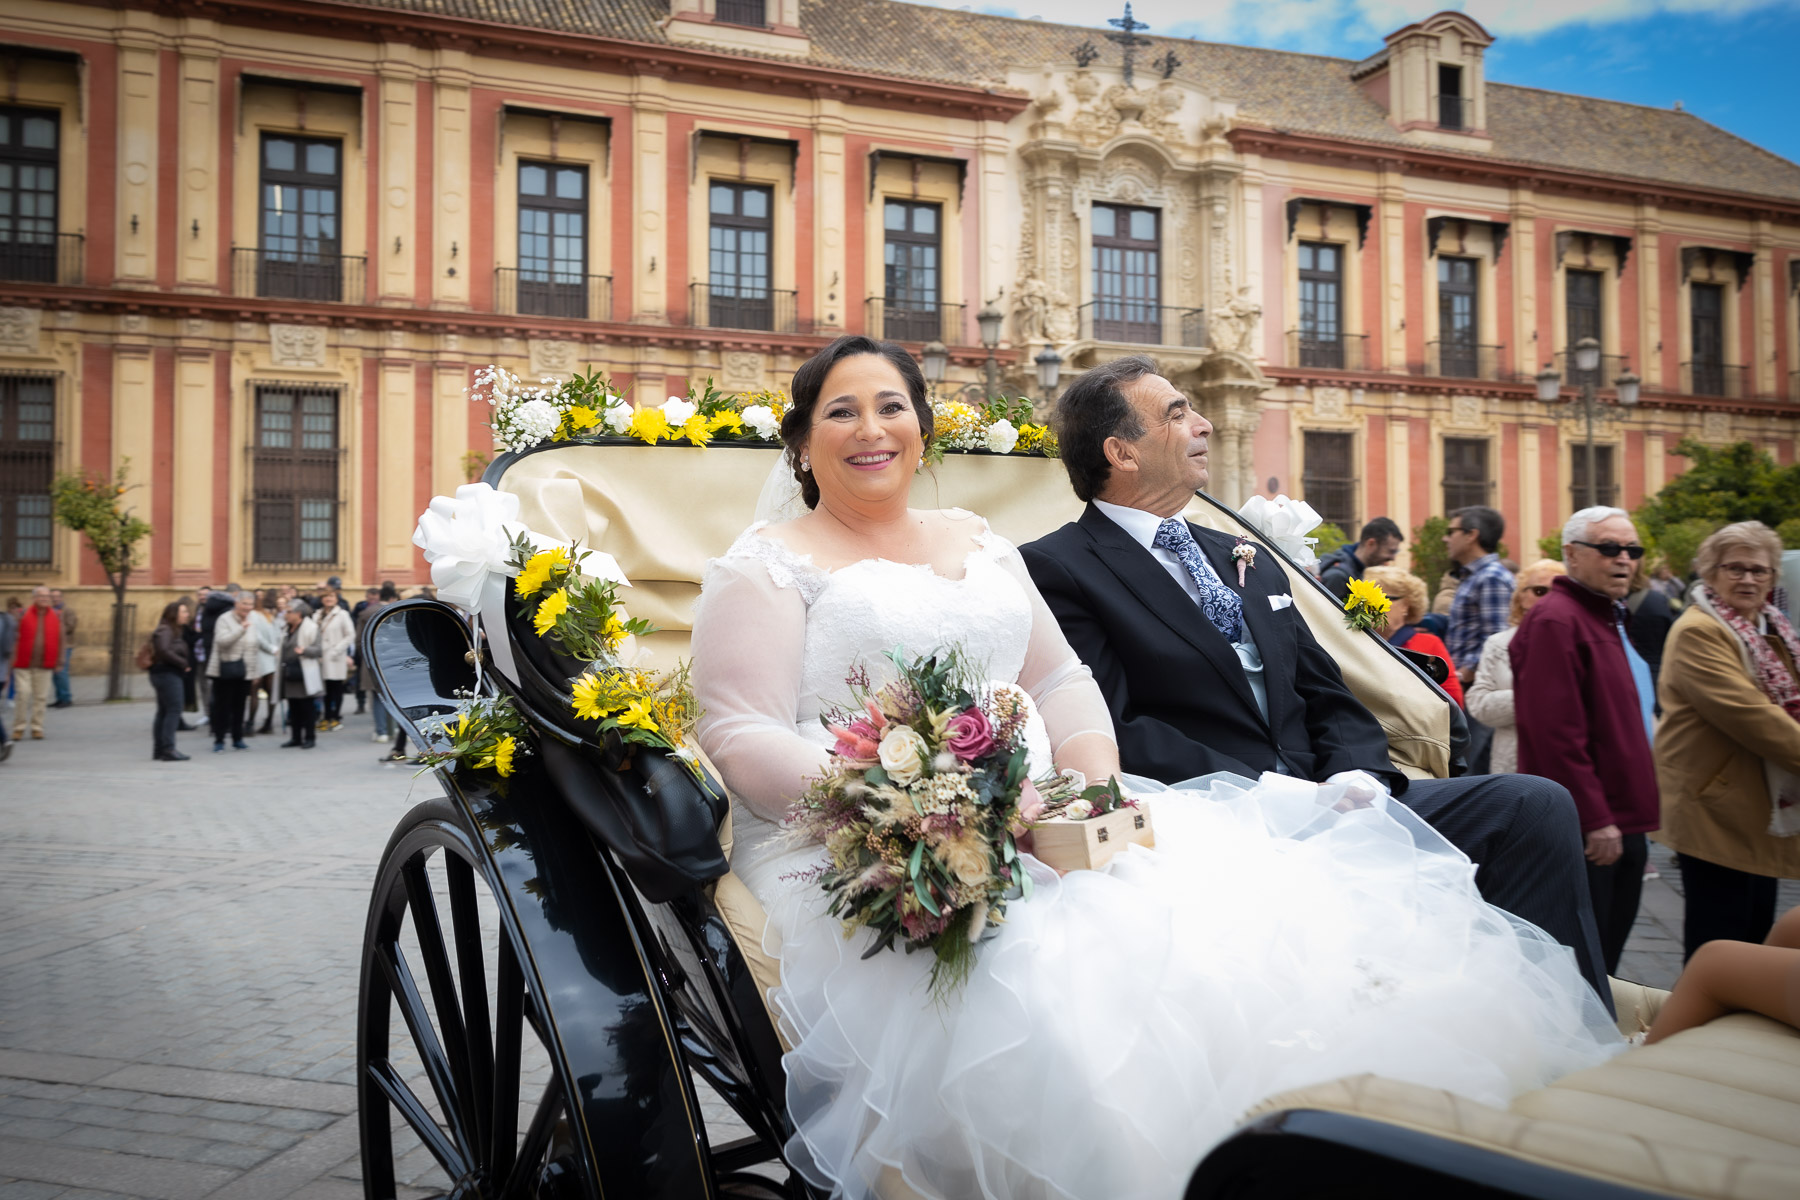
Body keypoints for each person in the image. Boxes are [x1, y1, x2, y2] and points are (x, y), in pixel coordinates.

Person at [691, 337, 1620, 1199]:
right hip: (879, 836)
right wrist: (916, 807)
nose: (870, 430)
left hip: (1065, 811)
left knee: (1254, 943)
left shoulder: (976, 540)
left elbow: (1059, 677)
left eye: (890, 406)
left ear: (922, 428)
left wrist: (1093, 779)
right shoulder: (767, 565)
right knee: (1078, 996)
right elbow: (741, 731)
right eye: (841, 412)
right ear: (804, 445)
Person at [1019, 356, 1610, 1006]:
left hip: (1338, 798)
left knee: (1534, 807)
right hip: (1213, 821)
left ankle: (1568, 1024)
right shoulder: (1056, 568)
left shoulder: (1242, 556)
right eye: (1177, 413)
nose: (1206, 425)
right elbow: (1113, 725)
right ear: (1120, 452)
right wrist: (1277, 798)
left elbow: (1328, 694)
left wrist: (1355, 777)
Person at [1513, 506, 1660, 977]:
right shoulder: (1558, 619)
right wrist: (1595, 818)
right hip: (1593, 823)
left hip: (1620, 816)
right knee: (1586, 958)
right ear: (1572, 555)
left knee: (1607, 950)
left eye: (1632, 550)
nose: (1624, 560)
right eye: (1610, 548)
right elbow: (1556, 733)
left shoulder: (1604, 614)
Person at [1653, 521, 1800, 959]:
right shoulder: (1701, 630)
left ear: (1774, 577)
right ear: (1709, 572)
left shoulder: (1769, 626)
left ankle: (1733, 1021)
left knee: (1753, 932)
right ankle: (1699, 1023)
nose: (1749, 579)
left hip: (1758, 805)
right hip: (1717, 806)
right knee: (1720, 941)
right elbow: (1751, 715)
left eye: (1760, 570)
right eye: (1735, 568)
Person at [1465, 559, 1567, 774]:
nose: (1549, 599)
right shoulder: (1498, 644)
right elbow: (1479, 704)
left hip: (1566, 761)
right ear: (1521, 597)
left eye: (1558, 592)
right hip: (1513, 762)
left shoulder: (1578, 644)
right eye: (1540, 591)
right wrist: (1534, 697)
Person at [1363, 564, 1464, 707]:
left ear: (1406, 605)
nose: (1372, 605)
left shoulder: (1428, 644)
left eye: (1383, 597)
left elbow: (1454, 702)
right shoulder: (1356, 639)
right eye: (1367, 598)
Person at [1444, 506, 1513, 690]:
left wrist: (1466, 672)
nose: (1446, 538)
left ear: (1471, 535)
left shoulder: (1491, 577)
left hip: (1474, 687)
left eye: (1451, 532)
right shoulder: (1474, 576)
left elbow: (1496, 637)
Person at [206, 590, 255, 752]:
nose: (247, 607)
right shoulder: (224, 619)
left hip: (245, 670)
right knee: (223, 706)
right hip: (225, 670)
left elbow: (255, 645)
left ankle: (237, 738)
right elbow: (222, 642)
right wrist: (241, 629)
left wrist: (255, 672)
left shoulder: (253, 619)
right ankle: (219, 740)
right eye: (244, 603)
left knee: (240, 706)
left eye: (250, 604)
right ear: (236, 603)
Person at [12, 586, 61, 741]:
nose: (45, 599)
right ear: (34, 598)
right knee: (23, 694)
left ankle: (37, 727)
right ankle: (19, 727)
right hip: (23, 664)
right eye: (41, 596)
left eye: (47, 596)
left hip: (44, 664)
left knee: (41, 697)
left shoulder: (56, 615)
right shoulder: (23, 614)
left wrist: (60, 661)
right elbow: (13, 636)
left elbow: (62, 640)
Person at [1316, 517, 1403, 602]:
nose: (1393, 558)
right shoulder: (1338, 577)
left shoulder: (1358, 572)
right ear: (1371, 543)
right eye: (1391, 551)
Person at [148, 599, 192, 762]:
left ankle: (159, 749)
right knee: (174, 710)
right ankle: (168, 749)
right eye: (184, 612)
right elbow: (164, 650)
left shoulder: (173, 630)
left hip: (165, 674)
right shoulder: (165, 630)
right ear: (175, 615)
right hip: (167, 675)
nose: (187, 615)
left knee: (164, 711)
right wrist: (183, 663)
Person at [278, 599, 323, 748]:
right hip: (290, 672)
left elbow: (318, 650)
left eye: (289, 611)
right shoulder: (286, 628)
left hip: (304, 673)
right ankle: (295, 738)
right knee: (294, 707)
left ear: (298, 613)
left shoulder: (311, 627)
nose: (286, 614)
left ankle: (310, 738)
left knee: (307, 708)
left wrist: (305, 650)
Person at [315, 588, 355, 731]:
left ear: (336, 598)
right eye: (325, 596)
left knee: (336, 688)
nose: (328, 599)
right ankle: (326, 716)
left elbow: (350, 635)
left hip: (336, 657)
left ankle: (335, 717)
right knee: (325, 689)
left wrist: (337, 650)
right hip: (321, 657)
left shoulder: (342, 614)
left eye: (331, 596)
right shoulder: (318, 614)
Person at [364, 583, 398, 745]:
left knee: (378, 697)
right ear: (392, 597)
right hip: (393, 660)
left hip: (372, 659)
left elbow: (359, 641)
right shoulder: (396, 612)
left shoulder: (367, 612)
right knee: (393, 695)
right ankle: (395, 729)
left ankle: (382, 731)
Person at [246, 589, 282, 735]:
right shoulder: (262, 616)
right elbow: (263, 637)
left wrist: (273, 649)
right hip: (266, 658)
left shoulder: (263, 616)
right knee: (264, 692)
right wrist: (273, 649)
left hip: (265, 658)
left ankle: (256, 723)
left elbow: (261, 637)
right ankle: (260, 723)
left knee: (260, 692)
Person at [49, 587, 76, 708]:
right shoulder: (49, 611)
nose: (55, 599)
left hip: (65, 645)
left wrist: (55, 630)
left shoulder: (68, 611)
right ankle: (59, 698)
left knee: (62, 672)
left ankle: (66, 698)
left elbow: (71, 626)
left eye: (57, 597)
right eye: (52, 597)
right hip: (52, 645)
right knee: (55, 673)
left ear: (61, 598)